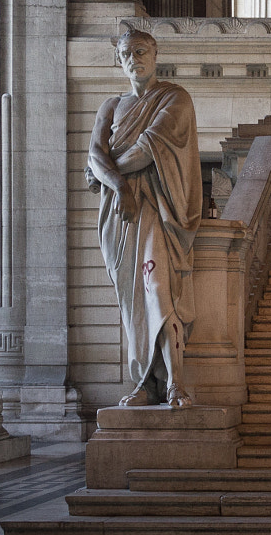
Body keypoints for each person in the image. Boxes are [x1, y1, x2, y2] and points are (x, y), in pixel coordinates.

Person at [87, 25, 204, 407]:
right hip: (120, 217)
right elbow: (93, 155)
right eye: (126, 54)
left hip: (155, 207)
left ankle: (175, 384)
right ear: (118, 61)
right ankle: (144, 384)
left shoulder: (176, 99)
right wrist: (118, 186)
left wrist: (107, 176)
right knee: (133, 301)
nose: (133, 60)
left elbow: (145, 149)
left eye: (140, 51)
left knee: (157, 293)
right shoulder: (110, 106)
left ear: (155, 56)